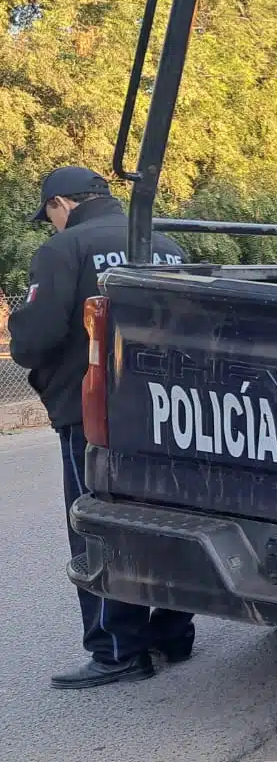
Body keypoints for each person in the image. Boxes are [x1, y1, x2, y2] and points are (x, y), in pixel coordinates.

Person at [9, 166, 194, 690]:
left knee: (97, 527)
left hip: (92, 411)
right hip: (165, 408)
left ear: (61, 204)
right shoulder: (165, 244)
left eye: (49, 215)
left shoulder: (63, 250)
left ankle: (118, 650)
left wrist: (20, 331)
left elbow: (34, 338)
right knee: (162, 520)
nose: (50, 225)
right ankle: (173, 633)